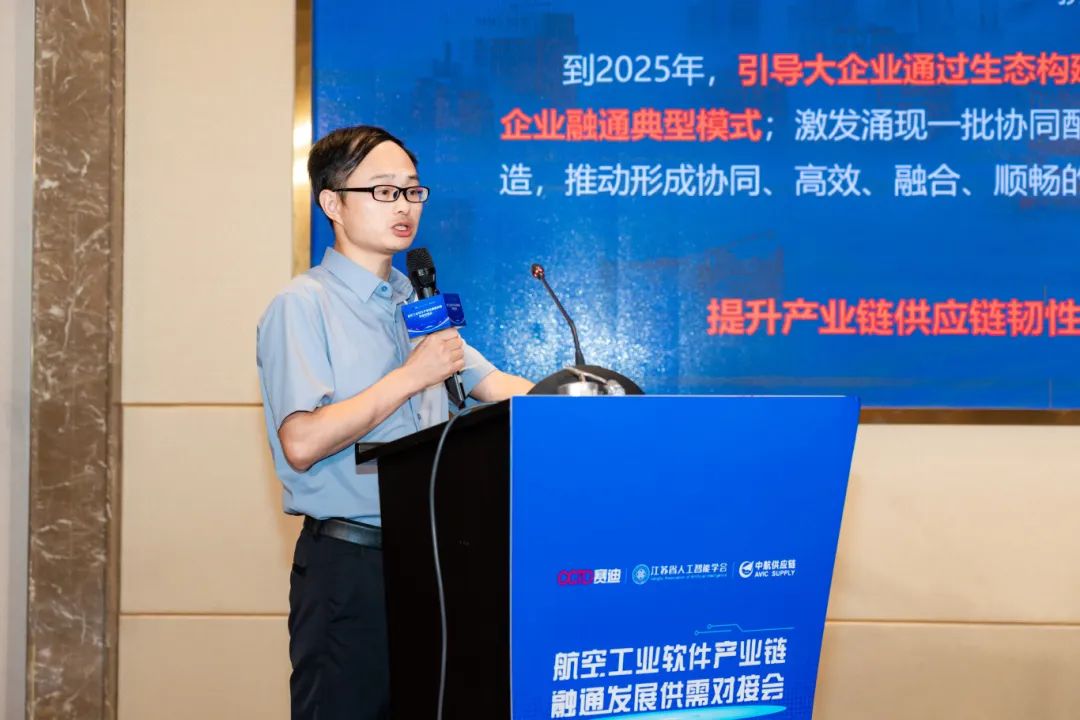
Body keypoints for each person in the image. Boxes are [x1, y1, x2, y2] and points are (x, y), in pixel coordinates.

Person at [256, 125, 533, 720]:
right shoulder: (302, 306)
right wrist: (409, 376)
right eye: (383, 191)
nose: (403, 205)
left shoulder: (416, 303)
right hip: (351, 566)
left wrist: (589, 398)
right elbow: (301, 441)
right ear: (332, 203)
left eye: (412, 190)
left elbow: (496, 385)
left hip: (434, 560)